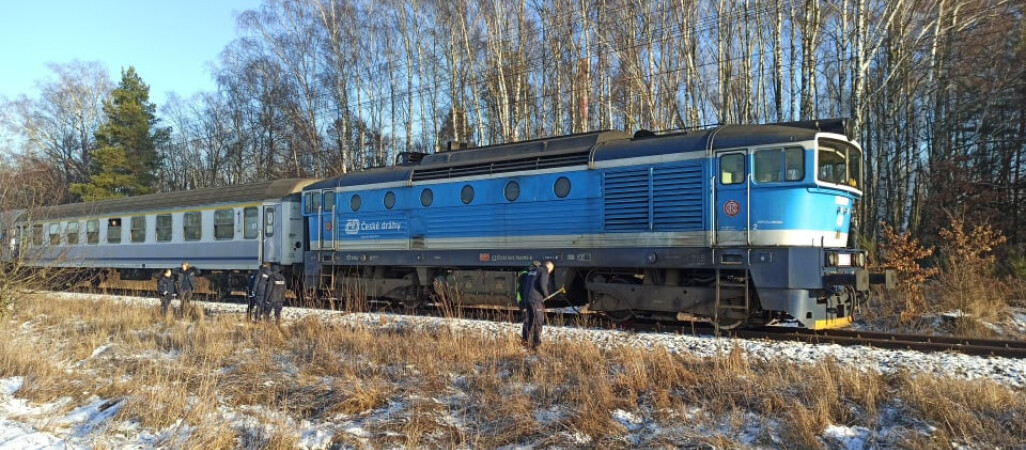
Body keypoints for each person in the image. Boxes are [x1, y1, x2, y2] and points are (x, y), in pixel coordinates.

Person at [524, 260, 555, 350]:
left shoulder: (532, 271)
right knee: (538, 321)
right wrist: (546, 294)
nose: (549, 272)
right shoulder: (543, 271)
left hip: (528, 299)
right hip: (536, 300)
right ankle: (536, 343)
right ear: (548, 268)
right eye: (551, 270)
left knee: (530, 320)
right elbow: (542, 284)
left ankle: (526, 341)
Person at [518, 261, 540, 346]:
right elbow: (522, 291)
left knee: (528, 320)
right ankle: (528, 340)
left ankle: (526, 340)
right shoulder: (526, 276)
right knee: (529, 320)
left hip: (525, 301)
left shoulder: (526, 274)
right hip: (525, 301)